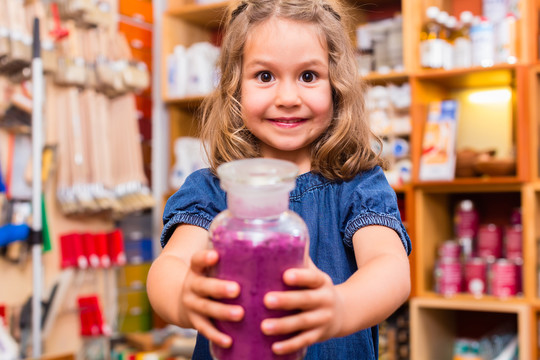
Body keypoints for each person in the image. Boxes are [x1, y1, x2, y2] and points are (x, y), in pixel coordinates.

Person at [147, 0, 411, 358]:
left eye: (308, 76)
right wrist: (185, 300)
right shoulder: (211, 190)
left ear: (336, 85)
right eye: (265, 76)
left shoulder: (358, 184)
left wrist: (339, 308)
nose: (288, 98)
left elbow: (390, 267)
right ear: (234, 86)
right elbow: (169, 267)